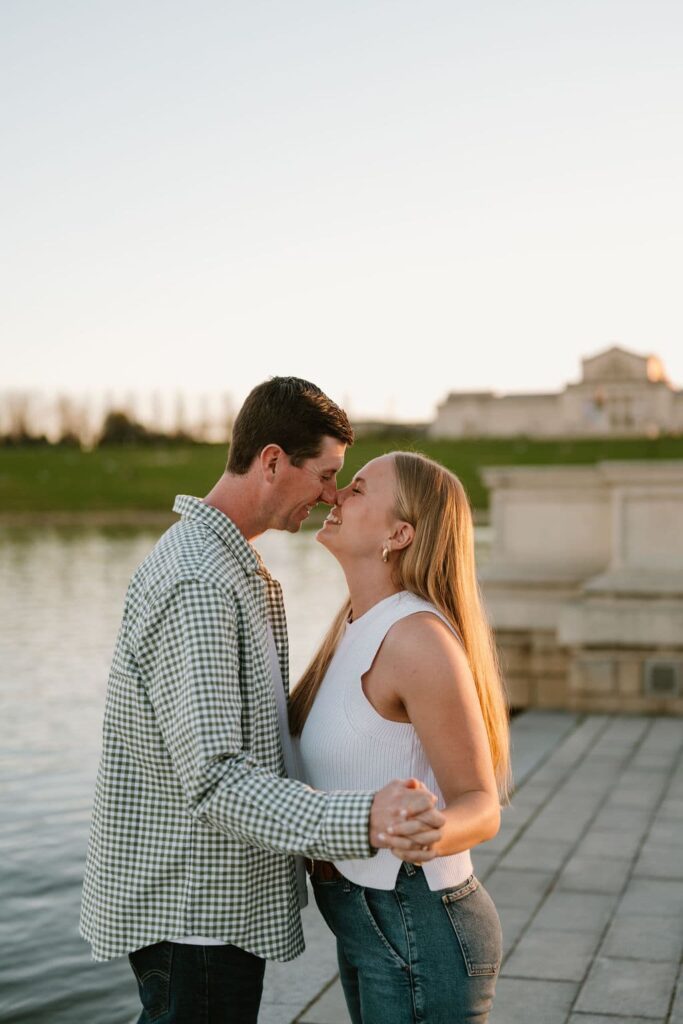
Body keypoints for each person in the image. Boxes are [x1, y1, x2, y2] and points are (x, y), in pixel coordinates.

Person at [80, 379, 444, 1024]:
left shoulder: (232, 567)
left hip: (209, 907)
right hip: (193, 913)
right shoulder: (200, 580)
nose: (334, 493)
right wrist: (365, 819)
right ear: (273, 460)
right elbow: (216, 780)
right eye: (327, 474)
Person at [291, 451, 511, 1024]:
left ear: (400, 533)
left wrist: (430, 830)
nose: (336, 496)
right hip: (366, 920)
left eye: (358, 489)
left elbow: (481, 806)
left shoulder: (416, 639)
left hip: (417, 920)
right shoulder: (354, 625)